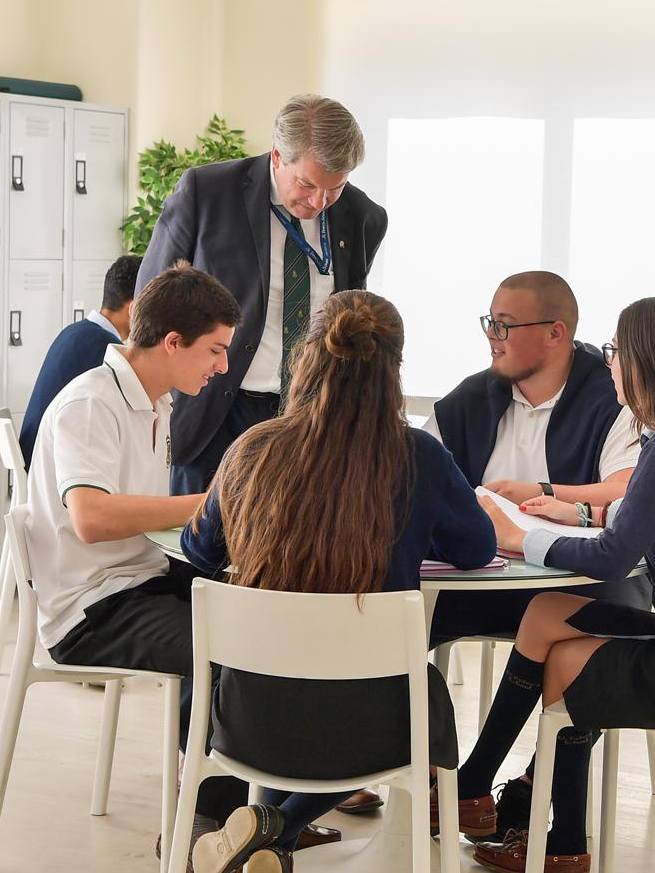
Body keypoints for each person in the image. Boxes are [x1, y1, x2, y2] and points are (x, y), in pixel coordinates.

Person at [446, 293, 655, 873]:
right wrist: (568, 512)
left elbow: (613, 560)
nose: (609, 362)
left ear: (648, 360)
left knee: (564, 661)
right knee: (547, 612)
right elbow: (642, 526)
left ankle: (562, 845)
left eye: (617, 350)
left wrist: (518, 537)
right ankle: (475, 789)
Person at [180, 290, 496, 873]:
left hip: (249, 713)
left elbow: (197, 548)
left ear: (306, 359)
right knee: (421, 703)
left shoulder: (252, 450)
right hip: (371, 723)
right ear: (394, 370)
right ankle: (278, 829)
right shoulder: (418, 457)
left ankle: (269, 834)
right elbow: (476, 548)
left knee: (303, 695)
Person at [23, 263, 246, 864]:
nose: (222, 367)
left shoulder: (156, 400)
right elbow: (91, 518)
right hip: (92, 608)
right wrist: (207, 502)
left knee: (255, 610)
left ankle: (255, 806)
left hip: (136, 578)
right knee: (229, 648)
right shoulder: (90, 403)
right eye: (215, 351)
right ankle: (208, 823)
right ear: (172, 342)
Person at [419, 270, 647, 834]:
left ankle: (503, 787)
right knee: (386, 608)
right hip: (477, 583)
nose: (492, 335)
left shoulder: (612, 396)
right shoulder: (469, 400)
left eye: (505, 324)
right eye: (489, 322)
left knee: (592, 622)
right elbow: (413, 477)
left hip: (580, 582)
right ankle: (400, 768)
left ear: (556, 333)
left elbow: (629, 490)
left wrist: (544, 495)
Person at [137, 92, 388, 498]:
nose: (319, 202)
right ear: (276, 157)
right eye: (307, 185)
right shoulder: (208, 192)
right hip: (214, 409)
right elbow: (152, 303)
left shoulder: (363, 217)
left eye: (334, 188)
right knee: (200, 550)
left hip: (306, 416)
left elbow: (349, 318)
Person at [19, 254, 141, 469]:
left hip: (36, 451)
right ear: (133, 308)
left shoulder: (78, 330)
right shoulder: (106, 346)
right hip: (50, 463)